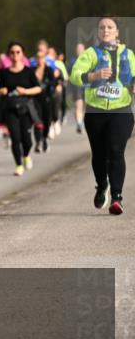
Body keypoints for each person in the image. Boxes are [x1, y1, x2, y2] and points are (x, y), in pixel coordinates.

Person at [69, 16, 135, 215]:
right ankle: (101, 185)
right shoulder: (90, 54)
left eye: (110, 27)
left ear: (117, 32)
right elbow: (74, 75)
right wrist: (93, 76)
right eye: (102, 27)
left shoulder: (128, 54)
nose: (106, 30)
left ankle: (117, 197)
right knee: (99, 154)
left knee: (116, 151)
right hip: (96, 111)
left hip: (121, 110)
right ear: (98, 32)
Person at [0, 42, 42, 176]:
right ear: (9, 55)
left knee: (27, 140)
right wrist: (1, 91)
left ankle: (26, 155)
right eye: (12, 52)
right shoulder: (4, 73)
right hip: (10, 108)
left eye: (18, 52)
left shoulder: (29, 71)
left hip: (26, 108)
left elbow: (38, 88)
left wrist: (25, 91)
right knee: (15, 138)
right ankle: (18, 165)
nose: (15, 55)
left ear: (22, 54)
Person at [32, 48, 61, 154]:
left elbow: (54, 81)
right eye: (38, 57)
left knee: (46, 121)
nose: (40, 59)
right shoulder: (32, 70)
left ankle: (44, 138)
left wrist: (55, 86)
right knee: (37, 121)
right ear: (36, 59)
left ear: (44, 59)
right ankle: (38, 142)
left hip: (47, 98)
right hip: (35, 99)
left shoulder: (49, 70)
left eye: (42, 57)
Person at [68, 43, 87, 134]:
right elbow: (68, 74)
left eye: (81, 49)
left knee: (87, 107)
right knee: (78, 105)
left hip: (88, 86)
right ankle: (79, 123)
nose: (79, 50)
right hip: (77, 86)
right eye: (78, 49)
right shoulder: (72, 61)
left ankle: (84, 121)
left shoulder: (89, 59)